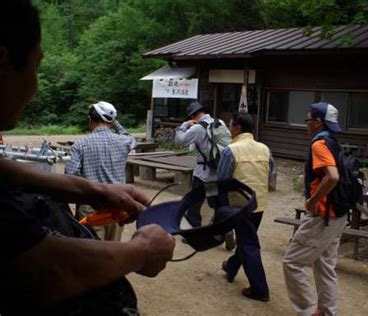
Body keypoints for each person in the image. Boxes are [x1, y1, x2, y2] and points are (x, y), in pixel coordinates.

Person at [0, 0, 175, 313]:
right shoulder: (123, 142)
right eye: (35, 67)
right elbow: (50, 268)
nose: (35, 85)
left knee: (94, 246)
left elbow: (72, 172)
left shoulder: (81, 145)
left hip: (95, 211)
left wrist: (90, 189)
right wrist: (140, 251)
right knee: (107, 253)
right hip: (121, 213)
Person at [283, 102, 346, 316]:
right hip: (338, 214)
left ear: (318, 122)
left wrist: (312, 200)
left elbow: (333, 177)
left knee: (292, 262)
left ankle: (309, 310)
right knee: (325, 266)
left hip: (324, 215)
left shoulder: (319, 144)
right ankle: (328, 312)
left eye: (308, 119)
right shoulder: (334, 142)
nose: (306, 124)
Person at [217, 112, 274, 302]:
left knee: (249, 244)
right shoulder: (265, 148)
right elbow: (270, 173)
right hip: (260, 203)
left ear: (238, 128)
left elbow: (222, 180)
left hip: (240, 206)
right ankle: (232, 267)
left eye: (231, 125)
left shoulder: (230, 150)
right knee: (246, 238)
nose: (229, 129)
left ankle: (260, 289)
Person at [65, 101, 135, 241]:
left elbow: (70, 175)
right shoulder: (124, 142)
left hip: (90, 206)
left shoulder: (80, 144)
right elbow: (128, 136)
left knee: (92, 252)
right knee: (113, 249)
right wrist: (115, 123)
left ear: (90, 120)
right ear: (111, 121)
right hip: (117, 204)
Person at [174, 102, 235, 249]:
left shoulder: (197, 128)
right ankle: (226, 229)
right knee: (218, 204)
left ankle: (194, 235)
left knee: (194, 204)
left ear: (192, 116)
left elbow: (178, 141)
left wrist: (184, 125)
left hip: (203, 175)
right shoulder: (219, 122)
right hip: (219, 171)